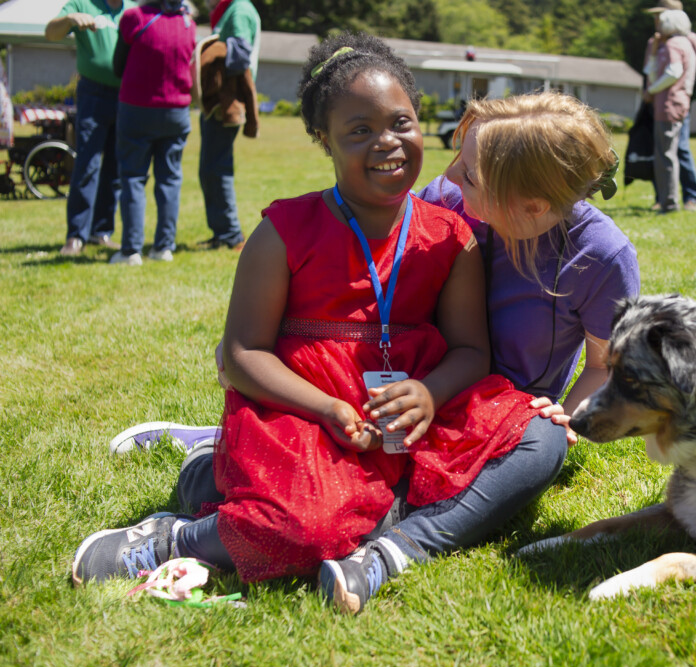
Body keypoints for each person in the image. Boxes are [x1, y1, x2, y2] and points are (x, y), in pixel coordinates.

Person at [84, 44, 639, 618]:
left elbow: (506, 349)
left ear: (527, 202)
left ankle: (379, 542)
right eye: (359, 130)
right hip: (325, 396)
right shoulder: (414, 214)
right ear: (325, 139)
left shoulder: (482, 236)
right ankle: (199, 505)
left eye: (404, 124)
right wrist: (305, 392)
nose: (450, 180)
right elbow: (256, 338)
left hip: (442, 399)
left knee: (540, 441)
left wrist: (544, 411)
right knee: (310, 521)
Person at [46, 0, 137, 257]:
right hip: (93, 94)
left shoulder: (132, 10)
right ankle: (76, 235)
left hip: (126, 96)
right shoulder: (81, 3)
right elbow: (50, 33)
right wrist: (70, 20)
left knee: (116, 169)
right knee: (87, 163)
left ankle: (101, 231)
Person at [108, 0, 196, 265]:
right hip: (176, 111)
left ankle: (131, 250)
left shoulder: (134, 17)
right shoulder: (188, 23)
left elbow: (118, 65)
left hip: (137, 109)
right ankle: (163, 247)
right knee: (169, 179)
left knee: (133, 178)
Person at [196, 0, 261, 252]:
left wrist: (209, 54)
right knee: (209, 169)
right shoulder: (231, 9)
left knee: (216, 168)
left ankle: (231, 235)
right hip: (219, 103)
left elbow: (239, 56)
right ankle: (221, 232)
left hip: (226, 103)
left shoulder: (240, 10)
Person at [644, 9, 696, 214]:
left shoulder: (674, 44)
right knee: (669, 153)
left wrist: (652, 89)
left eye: (662, 22)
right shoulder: (686, 43)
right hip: (679, 104)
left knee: (665, 155)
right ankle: (670, 200)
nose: (658, 26)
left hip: (668, 105)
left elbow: (673, 72)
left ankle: (669, 203)